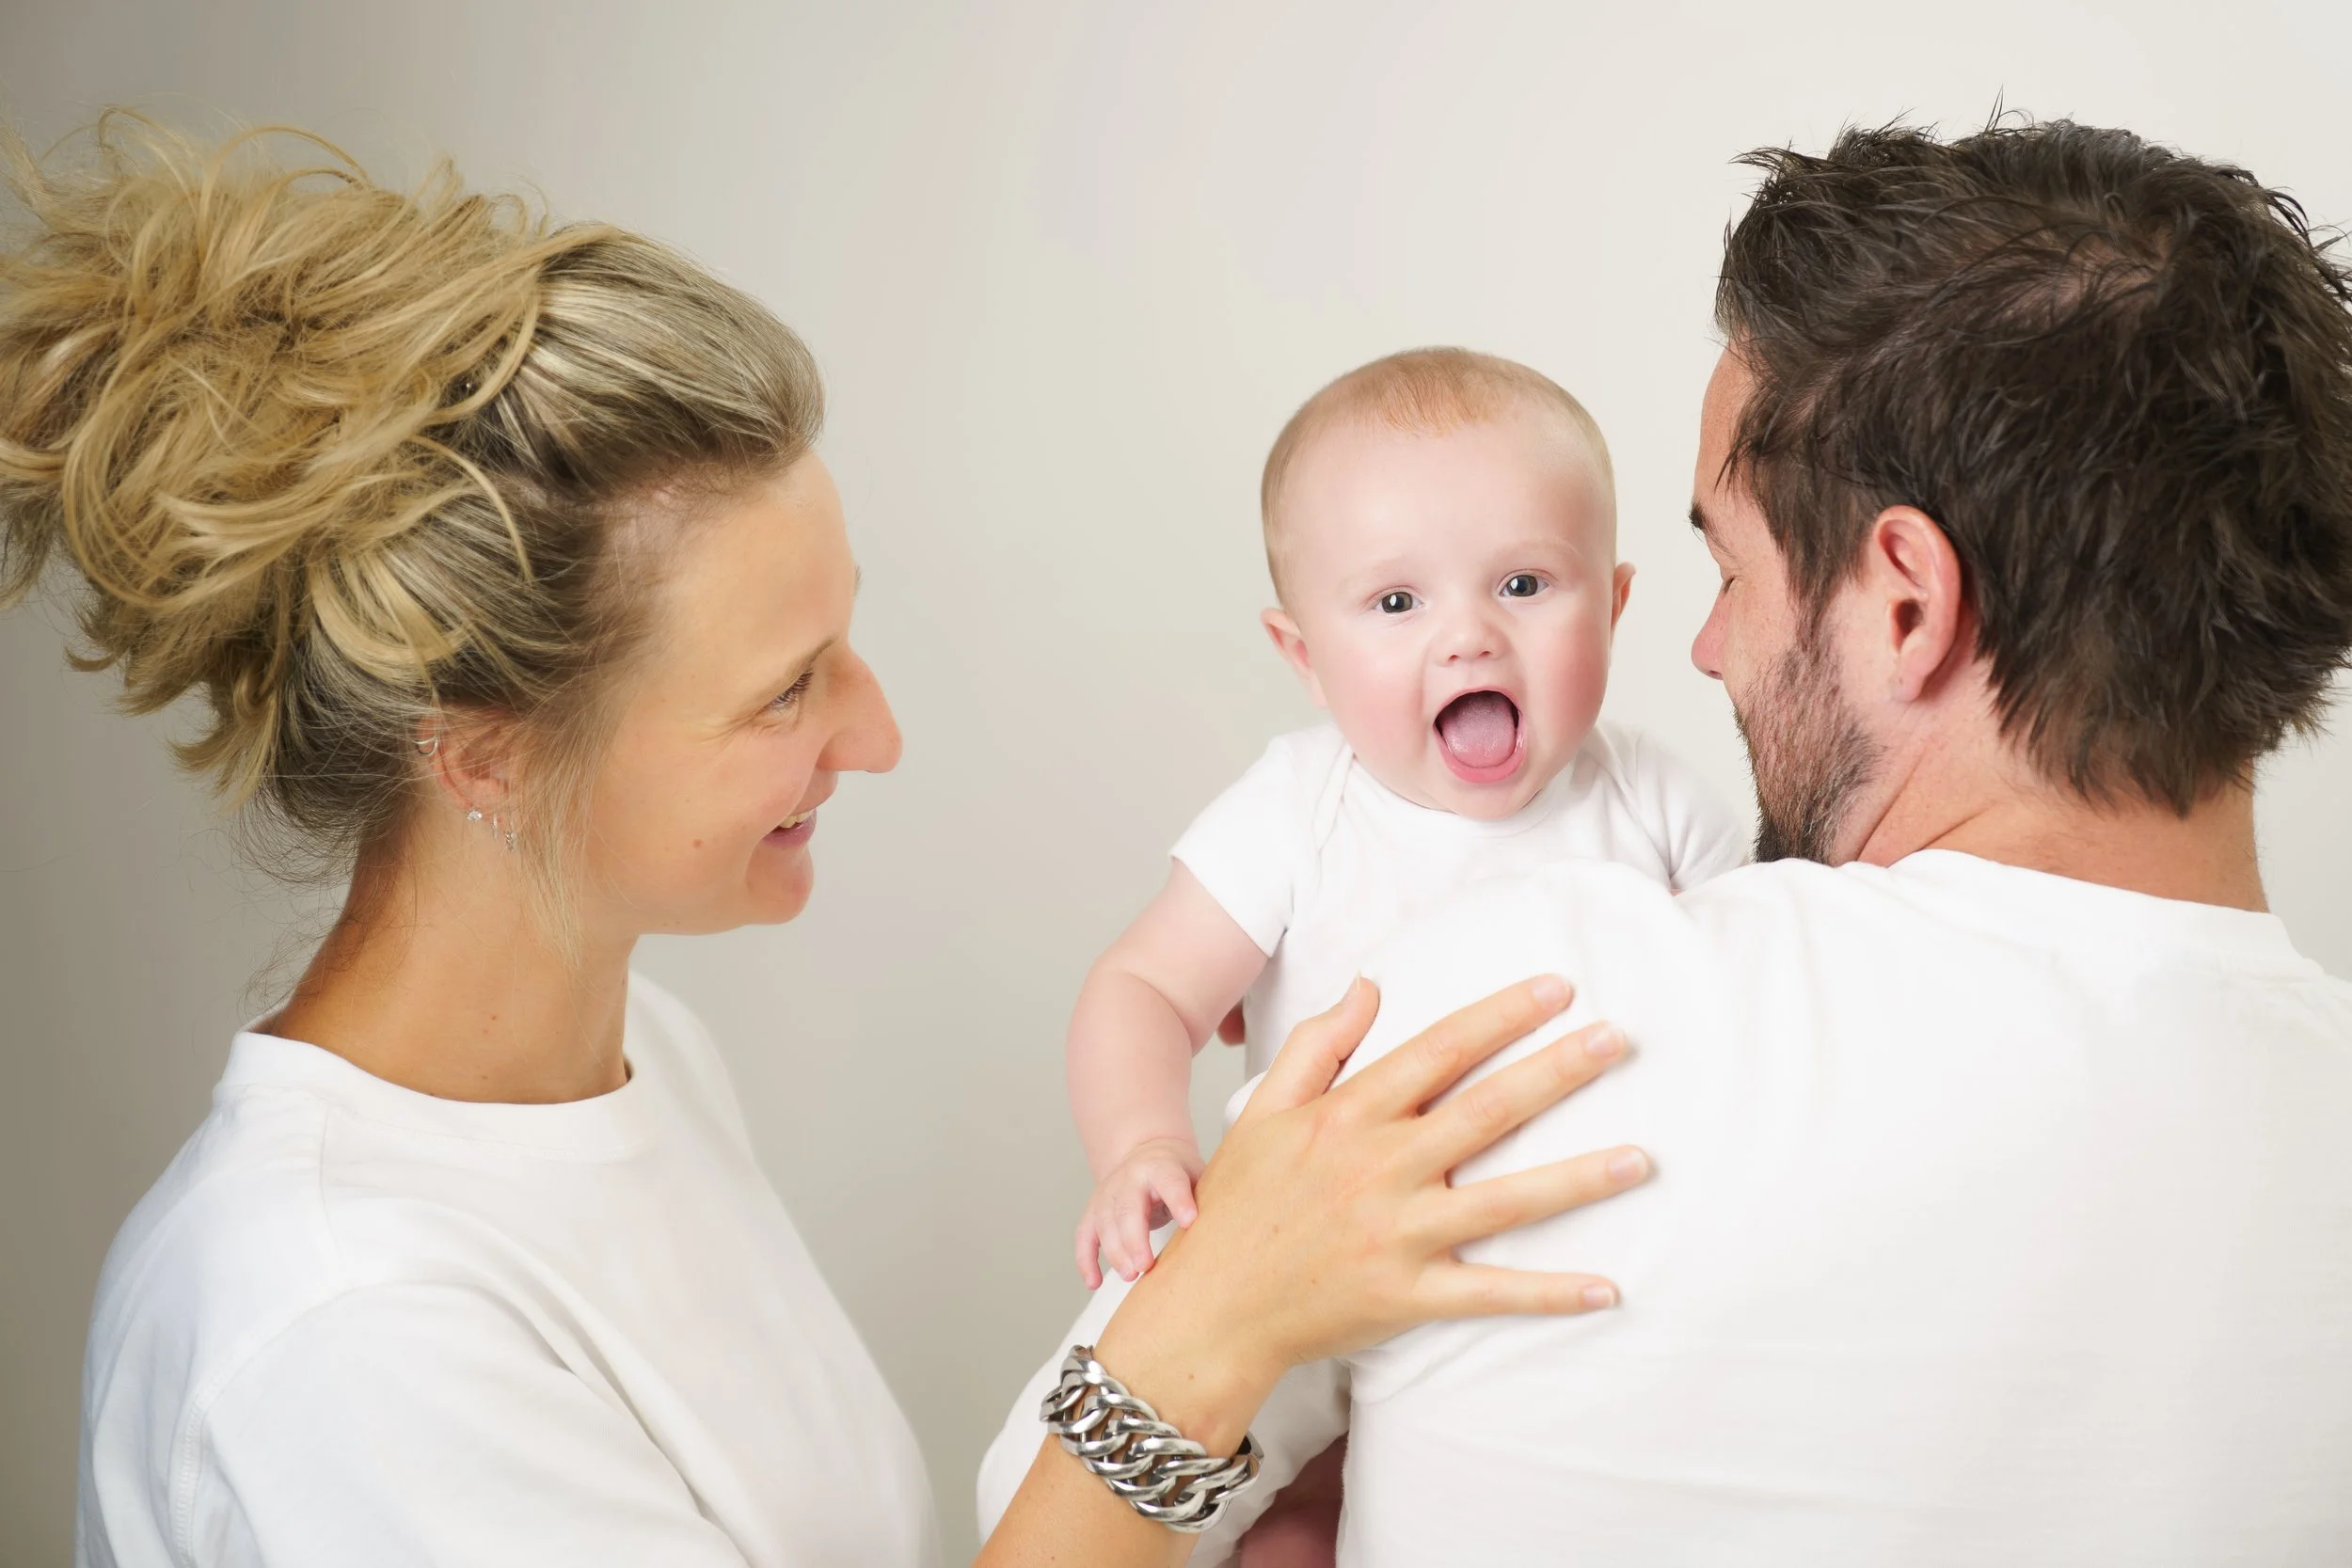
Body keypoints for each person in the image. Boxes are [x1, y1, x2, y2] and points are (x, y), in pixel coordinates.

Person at [1, 118, 1655, 1568]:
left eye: (845, 642)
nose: (878, 735)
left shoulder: (636, 1050)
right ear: (488, 756)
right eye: (789, 690)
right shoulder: (340, 1328)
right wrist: (1206, 1334)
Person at [982, 118, 2352, 1564]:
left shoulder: (1508, 1027)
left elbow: (1033, 1520)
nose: (1703, 649)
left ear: (1906, 603)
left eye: (1731, 567)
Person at [1059, 348, 1745, 1567]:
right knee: (1217, 1509)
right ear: (1301, 653)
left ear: (1617, 602)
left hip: (1564, 1287)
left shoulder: (1652, 803)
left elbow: (1755, 1000)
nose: (1468, 638)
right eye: (1395, 604)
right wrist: (1142, 1142)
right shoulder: (1298, 811)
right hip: (1311, 1273)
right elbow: (1145, 988)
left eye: (1526, 583)